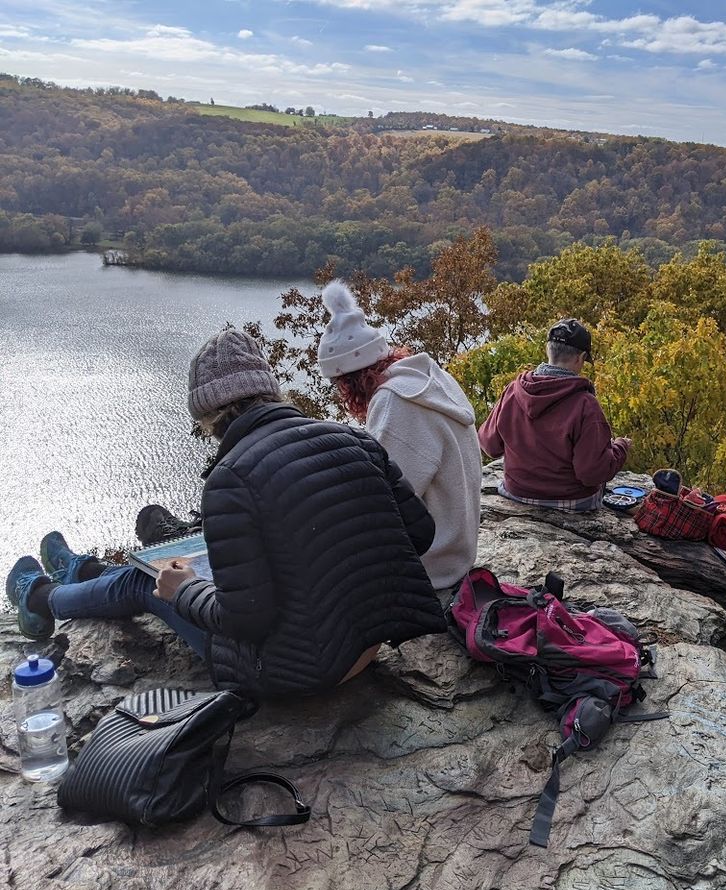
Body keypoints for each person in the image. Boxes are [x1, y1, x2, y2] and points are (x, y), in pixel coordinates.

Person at [6, 327, 446, 697]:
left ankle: (42, 597)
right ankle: (83, 573)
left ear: (209, 414)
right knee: (159, 571)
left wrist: (182, 591)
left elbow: (245, 619)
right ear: (271, 391)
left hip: (297, 671)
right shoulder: (357, 441)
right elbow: (420, 534)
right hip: (365, 650)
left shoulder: (232, 479)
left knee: (148, 581)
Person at [317, 280, 482, 600]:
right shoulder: (428, 379)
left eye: (341, 386)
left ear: (351, 381)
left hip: (431, 566)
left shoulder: (396, 403)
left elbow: (381, 502)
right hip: (457, 550)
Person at [478, 318, 630, 511]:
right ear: (580, 357)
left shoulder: (513, 391)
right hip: (573, 501)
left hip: (516, 493)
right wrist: (621, 447)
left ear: (547, 349)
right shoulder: (585, 404)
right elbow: (591, 473)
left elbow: (490, 445)